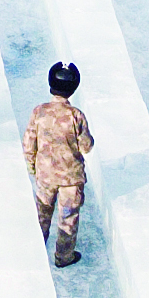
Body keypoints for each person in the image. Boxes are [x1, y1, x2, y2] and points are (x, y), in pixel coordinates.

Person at [25, 63, 94, 268]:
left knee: (42, 214)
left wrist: (32, 166)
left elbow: (29, 143)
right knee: (68, 218)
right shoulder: (76, 115)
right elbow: (86, 146)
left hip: (45, 175)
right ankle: (64, 257)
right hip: (70, 179)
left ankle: (35, 254)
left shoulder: (39, 112)